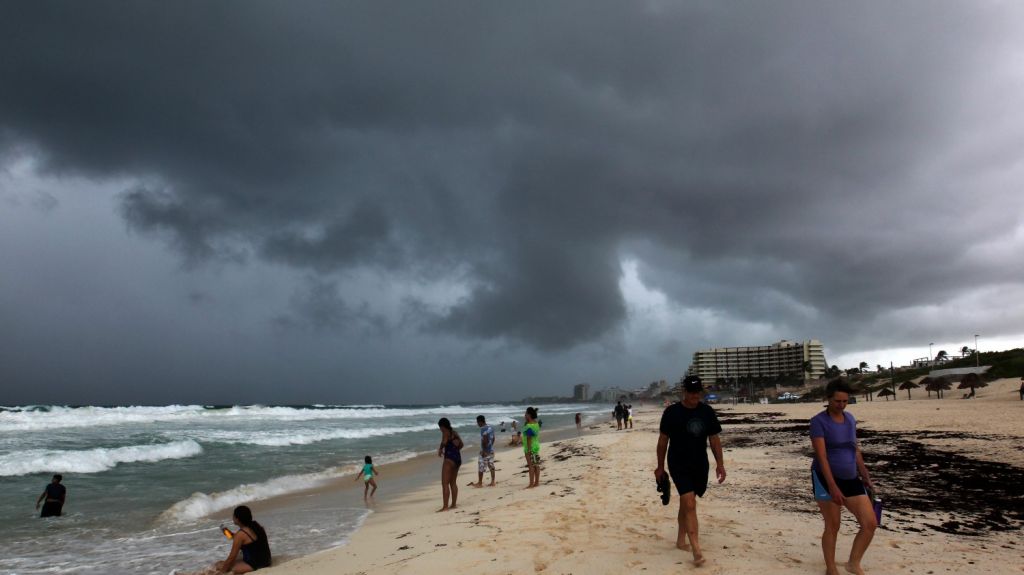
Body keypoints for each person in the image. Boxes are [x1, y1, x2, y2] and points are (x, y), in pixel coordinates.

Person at [654, 376, 725, 567]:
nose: (695, 395)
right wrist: (660, 467)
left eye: (697, 392)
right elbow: (662, 442)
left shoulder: (707, 412)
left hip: (700, 464)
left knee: (688, 502)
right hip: (678, 463)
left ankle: (680, 540)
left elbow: (714, 439)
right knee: (689, 502)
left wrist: (720, 464)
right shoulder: (672, 412)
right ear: (684, 391)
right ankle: (697, 550)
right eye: (691, 392)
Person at [811, 379, 877, 575]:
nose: (841, 405)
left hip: (850, 477)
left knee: (869, 524)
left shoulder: (850, 419)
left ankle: (853, 563)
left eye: (845, 401)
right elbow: (821, 456)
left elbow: (854, 449)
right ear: (828, 399)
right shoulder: (818, 421)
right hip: (824, 478)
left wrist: (865, 475)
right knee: (833, 525)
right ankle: (831, 568)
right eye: (837, 401)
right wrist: (832, 486)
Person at [215, 505, 271, 573]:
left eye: (233, 516)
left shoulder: (241, 534)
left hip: (257, 564)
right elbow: (242, 539)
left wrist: (222, 572)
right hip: (266, 560)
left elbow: (232, 557)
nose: (232, 518)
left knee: (220, 566)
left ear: (237, 519)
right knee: (223, 563)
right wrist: (227, 533)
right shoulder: (256, 526)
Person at [437, 417, 463, 511]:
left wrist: (440, 449)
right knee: (453, 483)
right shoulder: (454, 433)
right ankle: (453, 504)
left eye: (440, 427)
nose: (440, 429)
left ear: (443, 426)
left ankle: (445, 507)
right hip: (457, 459)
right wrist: (455, 450)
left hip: (449, 460)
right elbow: (461, 444)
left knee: (445, 484)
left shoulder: (445, 432)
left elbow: (444, 442)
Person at [473, 415, 496, 487]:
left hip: (485, 450)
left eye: (477, 422)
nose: (477, 424)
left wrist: (484, 451)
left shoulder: (483, 429)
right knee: (491, 465)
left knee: (481, 465)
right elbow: (493, 438)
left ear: (480, 422)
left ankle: (480, 483)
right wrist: (490, 446)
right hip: (491, 450)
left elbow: (484, 440)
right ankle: (492, 482)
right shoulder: (490, 427)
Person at [522, 406, 541, 488]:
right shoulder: (536, 423)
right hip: (536, 446)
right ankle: (536, 482)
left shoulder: (529, 425)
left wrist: (529, 449)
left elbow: (529, 438)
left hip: (530, 447)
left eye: (526, 413)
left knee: (531, 466)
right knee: (536, 465)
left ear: (529, 415)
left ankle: (531, 484)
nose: (524, 415)